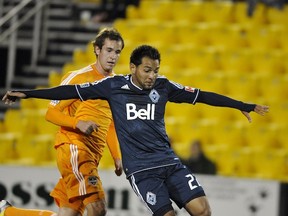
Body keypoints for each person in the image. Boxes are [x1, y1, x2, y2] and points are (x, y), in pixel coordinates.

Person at [2, 45, 269, 216]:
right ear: (133, 68)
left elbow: (202, 95)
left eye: (155, 70)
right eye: (147, 70)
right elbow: (69, 91)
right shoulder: (112, 86)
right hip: (142, 171)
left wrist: (240, 105)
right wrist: (28, 93)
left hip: (170, 163)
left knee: (203, 211)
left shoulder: (164, 87)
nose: (152, 75)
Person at [1, 27, 125, 216]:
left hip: (92, 154)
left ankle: (7, 212)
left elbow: (111, 124)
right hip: (75, 148)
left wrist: (117, 155)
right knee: (98, 209)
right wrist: (78, 123)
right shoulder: (78, 78)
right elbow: (51, 113)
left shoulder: (115, 85)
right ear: (97, 50)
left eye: (117, 52)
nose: (113, 56)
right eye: (108, 50)